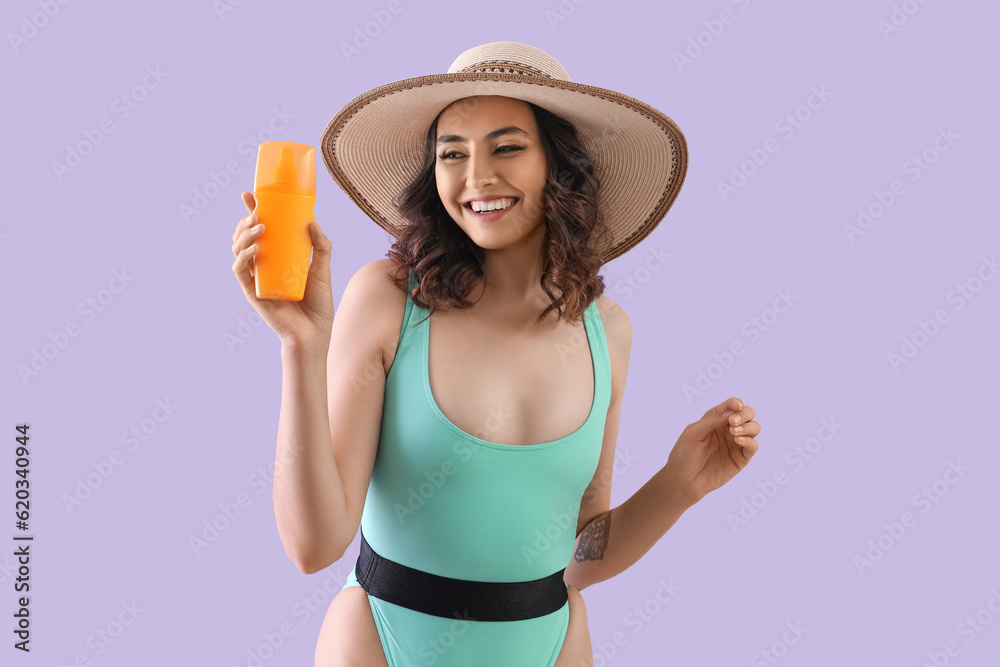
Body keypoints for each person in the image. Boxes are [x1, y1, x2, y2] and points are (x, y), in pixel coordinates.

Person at [231, 41, 761, 667]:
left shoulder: (608, 331)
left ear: (559, 169)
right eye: (452, 153)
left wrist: (679, 485)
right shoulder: (387, 300)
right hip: (387, 642)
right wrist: (302, 345)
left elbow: (579, 555)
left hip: (552, 644)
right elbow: (313, 545)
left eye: (507, 147)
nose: (476, 176)